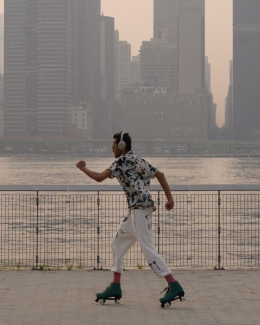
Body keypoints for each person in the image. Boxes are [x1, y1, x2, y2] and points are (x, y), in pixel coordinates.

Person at [75, 132, 186, 308]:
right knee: (117, 244)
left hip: (139, 210)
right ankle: (115, 286)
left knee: (148, 249)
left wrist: (82, 168)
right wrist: (169, 198)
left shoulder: (120, 162)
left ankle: (173, 285)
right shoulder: (139, 160)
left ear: (120, 146)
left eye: (113, 146)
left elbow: (99, 178)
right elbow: (161, 175)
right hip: (136, 210)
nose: (111, 149)